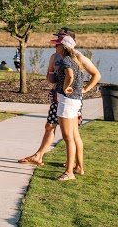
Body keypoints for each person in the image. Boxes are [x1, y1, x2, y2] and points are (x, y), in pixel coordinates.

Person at [18, 28, 100, 168]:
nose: (56, 45)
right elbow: (50, 76)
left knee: (72, 134)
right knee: (50, 126)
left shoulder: (78, 57)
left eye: (59, 41)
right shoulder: (55, 57)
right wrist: (52, 76)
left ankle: (76, 165)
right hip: (58, 96)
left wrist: (85, 89)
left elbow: (96, 75)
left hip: (71, 99)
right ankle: (39, 156)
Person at [54, 35, 100, 181]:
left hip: (67, 101)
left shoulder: (65, 60)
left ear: (64, 47)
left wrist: (65, 87)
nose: (55, 48)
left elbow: (70, 76)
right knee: (73, 136)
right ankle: (78, 167)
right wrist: (83, 89)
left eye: (57, 45)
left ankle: (69, 171)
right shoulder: (76, 59)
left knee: (68, 138)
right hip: (75, 101)